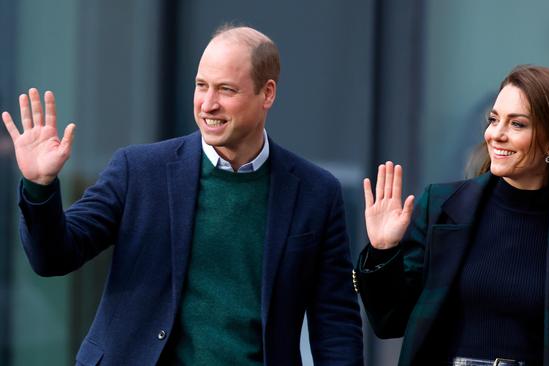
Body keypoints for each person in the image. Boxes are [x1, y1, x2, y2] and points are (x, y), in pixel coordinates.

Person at [1, 25, 363, 366]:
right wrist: (40, 187)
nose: (207, 104)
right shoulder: (139, 171)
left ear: (267, 93)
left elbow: (336, 325)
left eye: (226, 89)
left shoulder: (316, 193)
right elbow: (54, 257)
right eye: (201, 85)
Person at [354, 65, 549, 366]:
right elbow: (390, 322)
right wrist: (382, 251)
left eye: (517, 124)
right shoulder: (441, 206)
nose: (496, 135)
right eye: (494, 120)